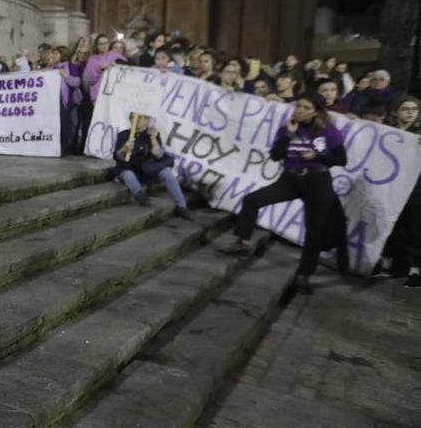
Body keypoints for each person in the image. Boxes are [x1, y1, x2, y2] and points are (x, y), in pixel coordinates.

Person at [221, 93, 348, 294]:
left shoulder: (328, 131)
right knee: (252, 200)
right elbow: (275, 156)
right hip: (289, 180)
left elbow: (341, 159)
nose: (300, 110)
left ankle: (303, 275)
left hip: (317, 182)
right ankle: (242, 242)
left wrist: (318, 156)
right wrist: (289, 135)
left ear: (316, 112)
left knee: (314, 230)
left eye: (306, 107)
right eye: (299, 105)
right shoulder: (286, 129)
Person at [374, 97, 421, 287]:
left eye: (414, 109)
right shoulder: (387, 133)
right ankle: (386, 264)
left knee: (414, 231)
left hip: (415, 191)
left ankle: (415, 271)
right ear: (396, 112)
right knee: (389, 226)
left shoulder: (417, 136)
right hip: (390, 189)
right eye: (405, 109)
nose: (410, 112)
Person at [109, 114, 193, 219]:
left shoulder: (152, 135)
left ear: (147, 120)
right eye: (133, 118)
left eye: (140, 118)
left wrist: (154, 140)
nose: (136, 121)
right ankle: (140, 195)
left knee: (166, 172)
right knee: (128, 175)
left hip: (147, 169)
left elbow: (159, 156)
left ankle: (182, 206)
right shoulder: (123, 135)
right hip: (129, 168)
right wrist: (124, 149)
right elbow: (117, 157)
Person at [49, 45, 82, 155]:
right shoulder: (52, 68)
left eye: (56, 54)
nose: (53, 56)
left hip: (69, 101)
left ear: (62, 55)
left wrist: (65, 75)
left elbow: (76, 82)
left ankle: (68, 146)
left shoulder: (72, 67)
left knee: (70, 124)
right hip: (55, 103)